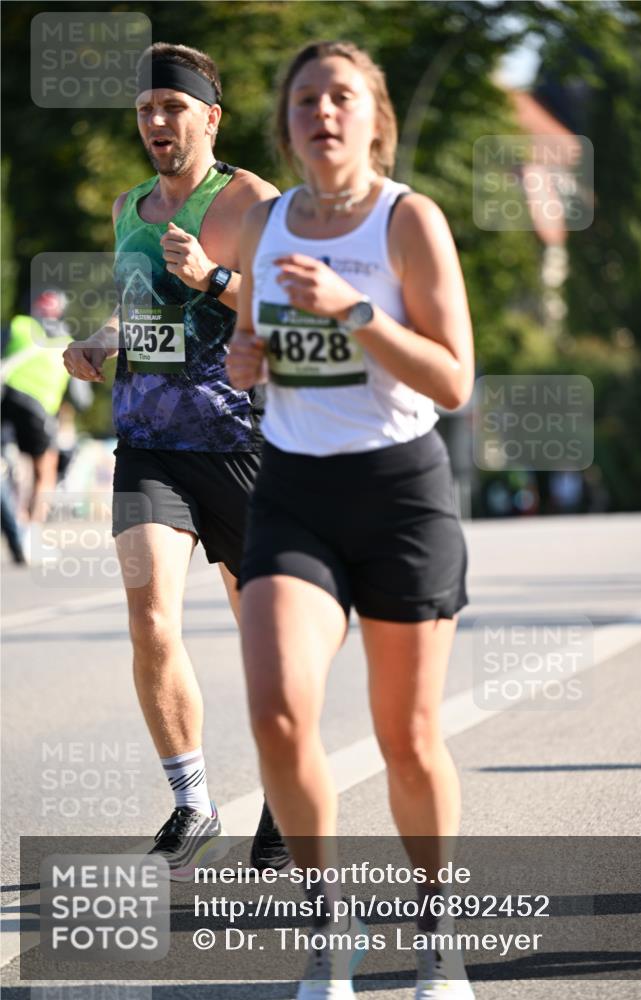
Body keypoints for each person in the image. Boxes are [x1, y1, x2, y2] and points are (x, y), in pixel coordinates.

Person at [227, 41, 475, 999]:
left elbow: (452, 379)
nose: (321, 113)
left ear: (375, 119)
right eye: (303, 101)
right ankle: (331, 929)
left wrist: (355, 308)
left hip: (400, 496)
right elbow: (251, 342)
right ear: (287, 126)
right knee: (279, 713)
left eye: (340, 98)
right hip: (294, 492)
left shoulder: (408, 220)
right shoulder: (265, 221)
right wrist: (247, 359)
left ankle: (437, 935)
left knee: (407, 738)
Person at [62, 42, 288, 878]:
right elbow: (138, 314)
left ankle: (286, 798)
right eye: (146, 110)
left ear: (209, 117)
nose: (158, 122)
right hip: (150, 443)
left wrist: (217, 277)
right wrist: (99, 340)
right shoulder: (129, 207)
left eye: (173, 108)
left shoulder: (253, 201)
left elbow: (299, 308)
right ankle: (194, 802)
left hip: (243, 446)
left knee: (268, 642)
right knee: (149, 615)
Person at [1, 289, 72, 526]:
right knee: (45, 468)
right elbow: (82, 396)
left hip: (5, 400)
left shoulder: (18, 325)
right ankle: (32, 527)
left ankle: (15, 516)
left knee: (10, 462)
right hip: (39, 408)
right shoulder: (66, 341)